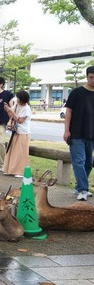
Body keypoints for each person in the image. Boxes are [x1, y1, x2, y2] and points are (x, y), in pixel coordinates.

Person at [63, 65, 94, 200]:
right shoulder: (76, 92)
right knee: (79, 161)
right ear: (87, 77)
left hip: (91, 134)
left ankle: (78, 187)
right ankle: (82, 190)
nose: (93, 80)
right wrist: (66, 130)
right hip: (76, 133)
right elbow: (68, 111)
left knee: (88, 163)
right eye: (91, 77)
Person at [2, 90, 32, 177]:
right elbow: (11, 114)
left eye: (19, 99)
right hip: (16, 131)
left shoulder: (26, 108)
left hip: (23, 132)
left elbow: (20, 120)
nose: (18, 101)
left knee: (21, 152)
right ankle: (10, 169)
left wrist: (11, 112)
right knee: (13, 151)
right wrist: (7, 109)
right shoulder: (17, 105)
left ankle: (20, 171)